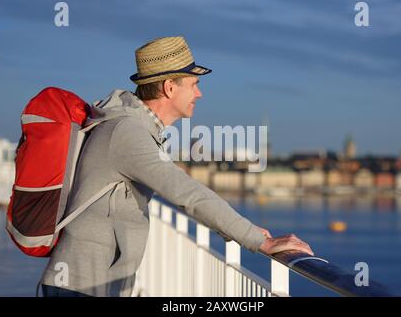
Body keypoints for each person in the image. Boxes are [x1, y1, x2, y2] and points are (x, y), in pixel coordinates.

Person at [40, 36, 313, 297]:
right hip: (81, 286)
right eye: (193, 84)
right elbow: (187, 193)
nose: (199, 93)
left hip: (94, 283)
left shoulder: (134, 129)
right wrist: (259, 241)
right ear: (170, 87)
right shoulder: (126, 132)